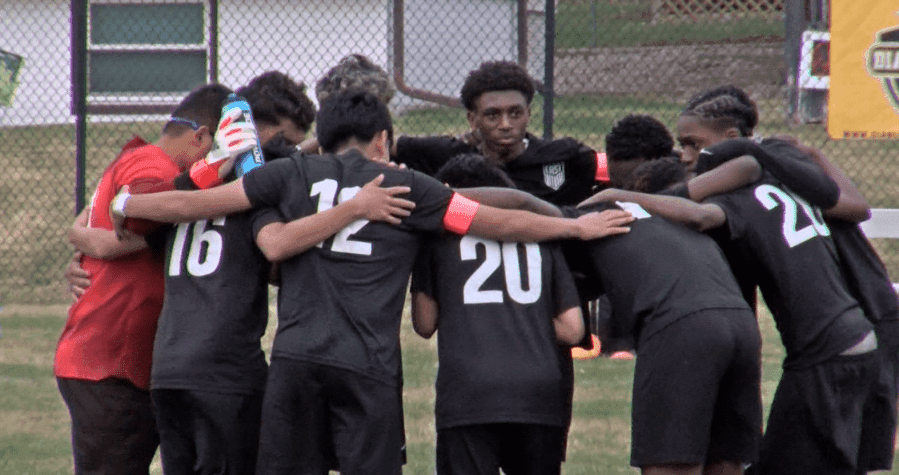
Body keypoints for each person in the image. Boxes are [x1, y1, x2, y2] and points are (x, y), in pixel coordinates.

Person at [109, 90, 633, 474]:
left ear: (323, 138)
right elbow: (491, 220)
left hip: (296, 358)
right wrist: (571, 226)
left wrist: (126, 203)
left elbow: (192, 203)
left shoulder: (290, 174)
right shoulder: (409, 186)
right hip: (366, 363)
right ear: (384, 138)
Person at [588, 89, 879, 475]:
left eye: (694, 145)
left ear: (729, 139)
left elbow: (696, 212)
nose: (686, 156)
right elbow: (857, 208)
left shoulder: (738, 193)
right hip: (860, 337)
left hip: (823, 350)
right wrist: (815, 155)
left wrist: (622, 197)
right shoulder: (785, 169)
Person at [54, 83, 235, 475]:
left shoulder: (139, 156)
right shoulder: (155, 163)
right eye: (218, 151)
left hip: (115, 360)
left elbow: (95, 226)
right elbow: (136, 210)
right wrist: (117, 241)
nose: (222, 165)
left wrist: (93, 241)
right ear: (201, 137)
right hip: (111, 363)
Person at [410, 153, 584, 475]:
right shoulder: (543, 236)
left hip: (469, 393)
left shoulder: (437, 239)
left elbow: (424, 323)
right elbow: (573, 329)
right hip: (539, 393)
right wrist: (522, 321)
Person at [390, 60, 608, 207]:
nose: (506, 124)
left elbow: (616, 167)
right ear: (472, 119)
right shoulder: (448, 154)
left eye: (515, 113)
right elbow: (380, 144)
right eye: (493, 115)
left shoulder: (564, 155)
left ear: (528, 114)